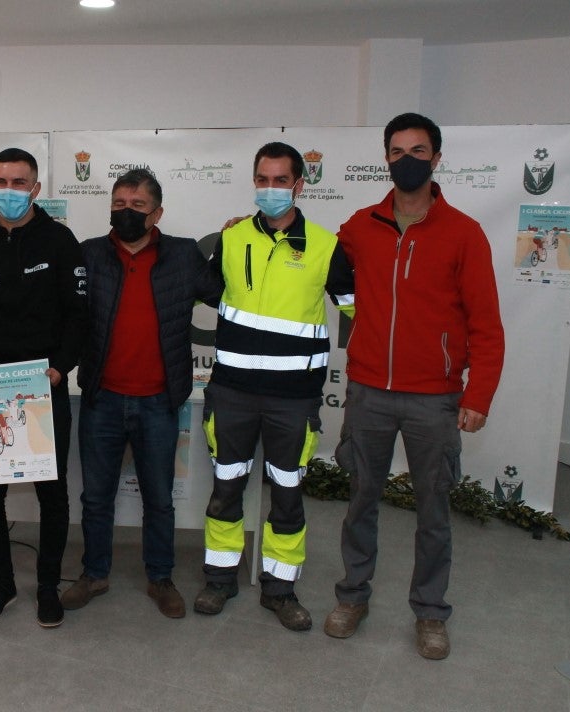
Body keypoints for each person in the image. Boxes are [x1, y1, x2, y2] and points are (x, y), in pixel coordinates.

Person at [325, 113, 504, 660]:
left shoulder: (463, 233)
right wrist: (243, 227)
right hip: (370, 392)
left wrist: (478, 395)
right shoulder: (360, 225)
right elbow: (316, 265)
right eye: (398, 150)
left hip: (436, 397)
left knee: (434, 511)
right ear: (385, 158)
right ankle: (353, 596)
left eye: (419, 151)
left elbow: (487, 324)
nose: (408, 160)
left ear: (437, 158)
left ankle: (430, 612)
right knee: (361, 501)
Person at [194, 142, 355, 631]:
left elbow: (358, 312)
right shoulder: (233, 237)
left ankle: (280, 589)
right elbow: (203, 291)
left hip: (293, 399)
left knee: (287, 493)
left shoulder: (326, 246)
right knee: (226, 490)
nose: (270, 188)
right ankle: (220, 580)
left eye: (280, 180)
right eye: (262, 179)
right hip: (232, 393)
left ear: (299, 185)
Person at [61, 169, 218, 619]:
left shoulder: (185, 255)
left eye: (137, 206)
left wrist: (236, 238)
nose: (125, 212)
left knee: (158, 498)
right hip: (102, 398)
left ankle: (161, 577)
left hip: (158, 401)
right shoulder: (89, 254)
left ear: (158, 213)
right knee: (96, 496)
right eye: (119, 204)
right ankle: (94, 573)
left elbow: (226, 292)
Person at [0, 147, 88, 628]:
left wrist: (61, 367)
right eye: (1, 182)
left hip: (42, 386)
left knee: (52, 492)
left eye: (18, 182)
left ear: (36, 189)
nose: (8, 191)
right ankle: (1, 584)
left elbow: (78, 316)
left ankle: (49, 587)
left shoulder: (60, 241)